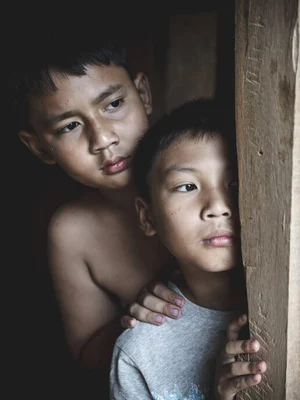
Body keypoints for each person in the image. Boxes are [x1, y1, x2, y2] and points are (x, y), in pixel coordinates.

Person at [7, 34, 187, 390]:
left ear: (144, 95)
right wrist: (135, 318)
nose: (102, 138)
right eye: (70, 126)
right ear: (40, 148)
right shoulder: (73, 232)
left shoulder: (210, 169)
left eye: (113, 104)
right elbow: (86, 351)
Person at [110, 99, 266, 399]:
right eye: (187, 186)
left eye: (235, 183)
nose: (217, 207)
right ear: (148, 216)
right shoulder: (141, 351)